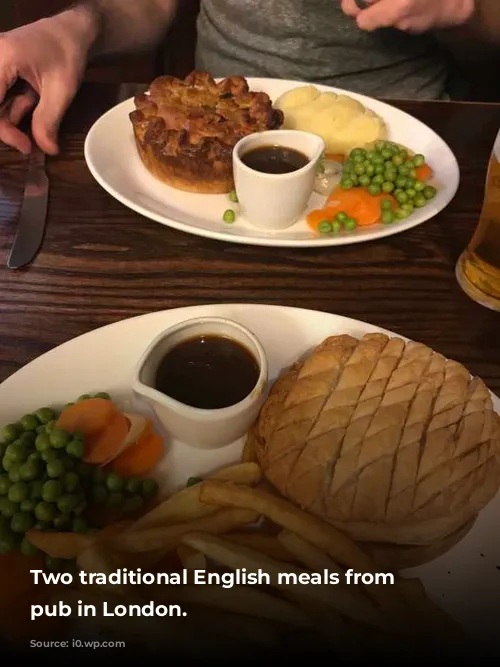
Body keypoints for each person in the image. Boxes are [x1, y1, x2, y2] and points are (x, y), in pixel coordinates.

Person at [0, 0, 497, 156]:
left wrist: (467, 10)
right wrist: (74, 26)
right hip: (212, 135)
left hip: (406, 131)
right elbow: (148, 5)